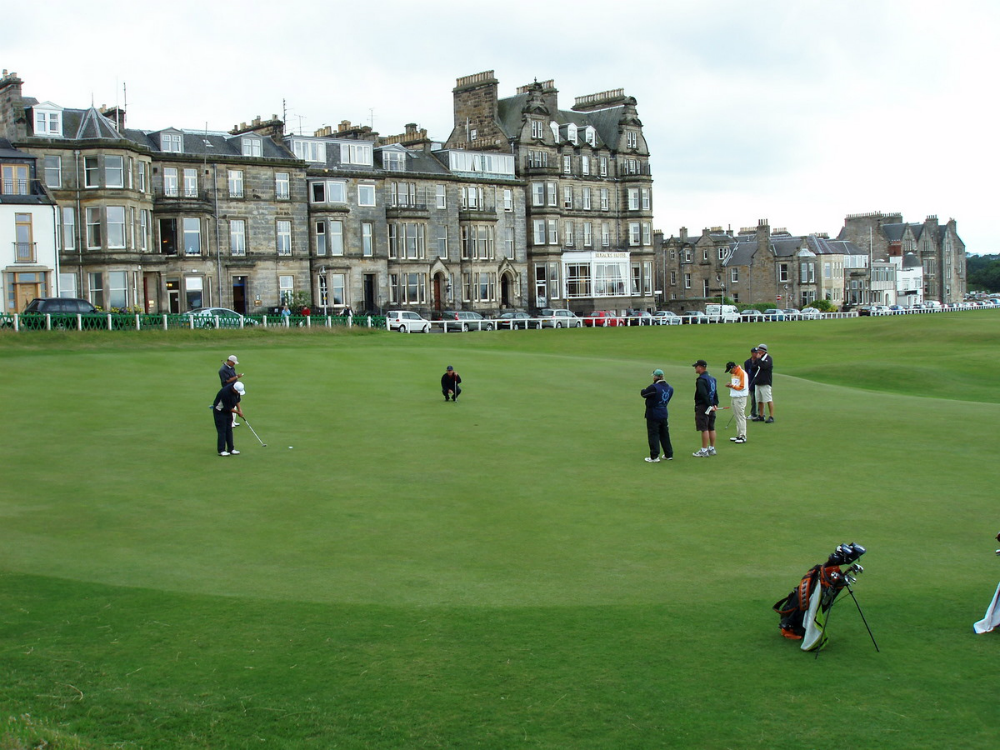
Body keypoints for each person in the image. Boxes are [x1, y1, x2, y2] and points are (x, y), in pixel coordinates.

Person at [641, 368, 674, 463]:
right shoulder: (670, 388)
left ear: (656, 377)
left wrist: (643, 390)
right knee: (664, 434)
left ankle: (654, 456)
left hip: (653, 414)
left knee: (653, 434)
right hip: (664, 413)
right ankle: (669, 454)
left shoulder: (654, 387)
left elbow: (644, 393)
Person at [692, 360, 719, 457]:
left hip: (704, 406)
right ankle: (712, 448)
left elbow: (703, 394)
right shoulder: (712, 379)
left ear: (700, 367)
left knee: (704, 428)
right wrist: (715, 404)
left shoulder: (701, 380)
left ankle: (704, 450)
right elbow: (715, 393)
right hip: (711, 405)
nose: (695, 368)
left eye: (696, 367)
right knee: (711, 427)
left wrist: (709, 405)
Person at [212, 381, 245, 456]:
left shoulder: (236, 391)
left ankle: (231, 449)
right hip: (220, 411)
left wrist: (240, 409)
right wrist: (238, 413)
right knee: (222, 431)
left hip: (228, 411)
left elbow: (237, 400)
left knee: (229, 430)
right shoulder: (225, 392)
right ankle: (221, 450)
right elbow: (228, 407)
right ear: (234, 389)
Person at [725, 360, 749, 444]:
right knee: (737, 417)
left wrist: (732, 386)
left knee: (741, 416)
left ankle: (743, 436)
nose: (730, 372)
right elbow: (736, 385)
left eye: (730, 370)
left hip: (740, 397)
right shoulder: (734, 374)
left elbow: (742, 387)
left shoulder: (742, 373)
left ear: (734, 368)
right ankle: (738, 435)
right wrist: (731, 386)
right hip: (734, 396)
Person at [218, 355, 243, 427]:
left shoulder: (231, 368)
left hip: (234, 388)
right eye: (233, 363)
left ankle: (233, 422)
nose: (234, 364)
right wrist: (237, 377)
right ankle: (230, 422)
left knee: (234, 405)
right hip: (228, 390)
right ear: (229, 361)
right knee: (231, 406)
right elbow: (227, 381)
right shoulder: (222, 370)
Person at [755, 343, 774, 423]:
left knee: (768, 399)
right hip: (758, 382)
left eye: (759, 351)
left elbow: (764, 366)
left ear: (763, 351)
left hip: (765, 383)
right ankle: (761, 415)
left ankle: (771, 416)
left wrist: (758, 360)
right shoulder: (759, 359)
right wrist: (757, 360)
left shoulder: (768, 359)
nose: (757, 352)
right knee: (759, 400)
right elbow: (754, 366)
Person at [745, 347, 760, 420]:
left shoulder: (759, 361)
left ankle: (760, 414)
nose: (757, 354)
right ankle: (753, 414)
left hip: (758, 382)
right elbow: (746, 373)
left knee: (759, 399)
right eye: (755, 352)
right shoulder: (747, 362)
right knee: (753, 399)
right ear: (752, 353)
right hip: (751, 382)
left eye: (757, 352)